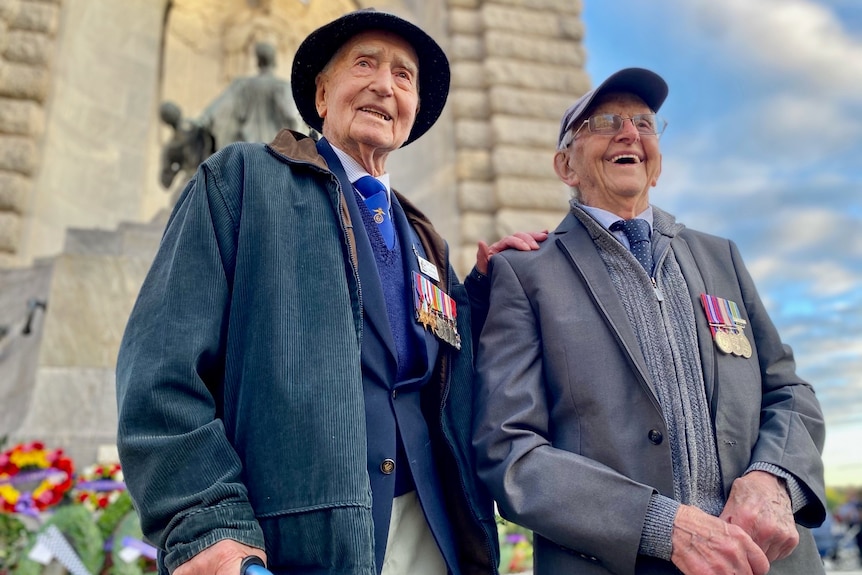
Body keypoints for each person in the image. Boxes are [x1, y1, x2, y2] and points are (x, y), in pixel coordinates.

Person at [116, 9, 544, 575]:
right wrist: (209, 529)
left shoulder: (425, 239)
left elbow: (449, 380)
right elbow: (160, 375)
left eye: (403, 76)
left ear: (413, 112)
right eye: (364, 64)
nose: (384, 86)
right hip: (293, 548)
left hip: (433, 538)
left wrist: (487, 297)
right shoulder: (240, 182)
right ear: (321, 94)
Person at [472, 67, 827, 575]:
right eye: (606, 121)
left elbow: (790, 393)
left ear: (656, 164)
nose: (629, 132)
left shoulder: (721, 256)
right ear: (565, 166)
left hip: (766, 563)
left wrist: (774, 478)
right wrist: (662, 526)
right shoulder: (525, 273)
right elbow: (509, 451)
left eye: (644, 122)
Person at [199, 41, 306, 150]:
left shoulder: (243, 85)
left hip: (249, 145)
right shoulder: (281, 87)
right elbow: (291, 114)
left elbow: (221, 105)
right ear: (274, 61)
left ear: (258, 61)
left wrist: (204, 119)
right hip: (275, 150)